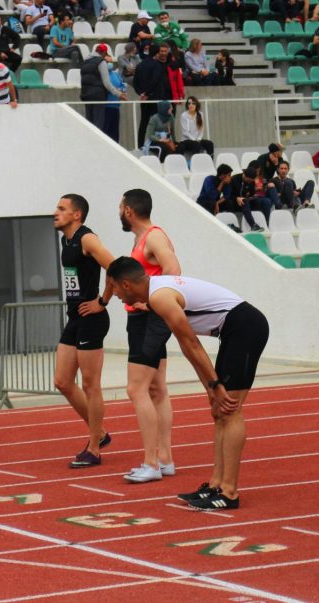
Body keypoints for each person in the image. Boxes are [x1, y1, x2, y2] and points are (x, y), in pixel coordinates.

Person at [108, 257, 268, 510]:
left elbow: (191, 343)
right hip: (233, 331)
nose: (114, 294)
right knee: (218, 411)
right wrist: (210, 386)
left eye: (114, 287)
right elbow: (187, 347)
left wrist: (214, 384)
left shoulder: (160, 296)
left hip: (245, 327)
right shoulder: (156, 293)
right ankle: (216, 484)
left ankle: (229, 491)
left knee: (230, 409)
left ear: (126, 284)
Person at [96, 191, 181, 483]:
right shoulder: (142, 239)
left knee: (136, 389)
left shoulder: (153, 238)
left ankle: (151, 463)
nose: (118, 211)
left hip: (148, 319)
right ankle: (165, 459)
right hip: (146, 318)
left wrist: (152, 300)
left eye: (120, 207)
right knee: (157, 389)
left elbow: (174, 269)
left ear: (129, 210)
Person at [52, 195, 117, 468]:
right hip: (75, 317)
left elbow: (115, 267)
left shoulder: (87, 239)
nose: (55, 213)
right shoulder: (65, 240)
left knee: (91, 385)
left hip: (92, 319)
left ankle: (94, 448)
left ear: (77, 215)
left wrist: (103, 301)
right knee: (63, 381)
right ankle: (99, 433)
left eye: (61, 209)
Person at [134, 43, 172, 148]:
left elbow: (135, 82)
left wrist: (141, 93)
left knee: (144, 122)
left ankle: (140, 145)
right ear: (156, 53)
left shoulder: (140, 65)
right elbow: (154, 81)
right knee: (158, 123)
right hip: (155, 99)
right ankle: (158, 145)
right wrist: (147, 93)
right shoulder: (157, 65)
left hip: (144, 99)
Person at [80, 44, 125, 132]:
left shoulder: (85, 62)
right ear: (104, 52)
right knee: (98, 125)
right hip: (98, 96)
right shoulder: (101, 61)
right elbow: (107, 83)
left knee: (89, 124)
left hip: (86, 95)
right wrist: (119, 94)